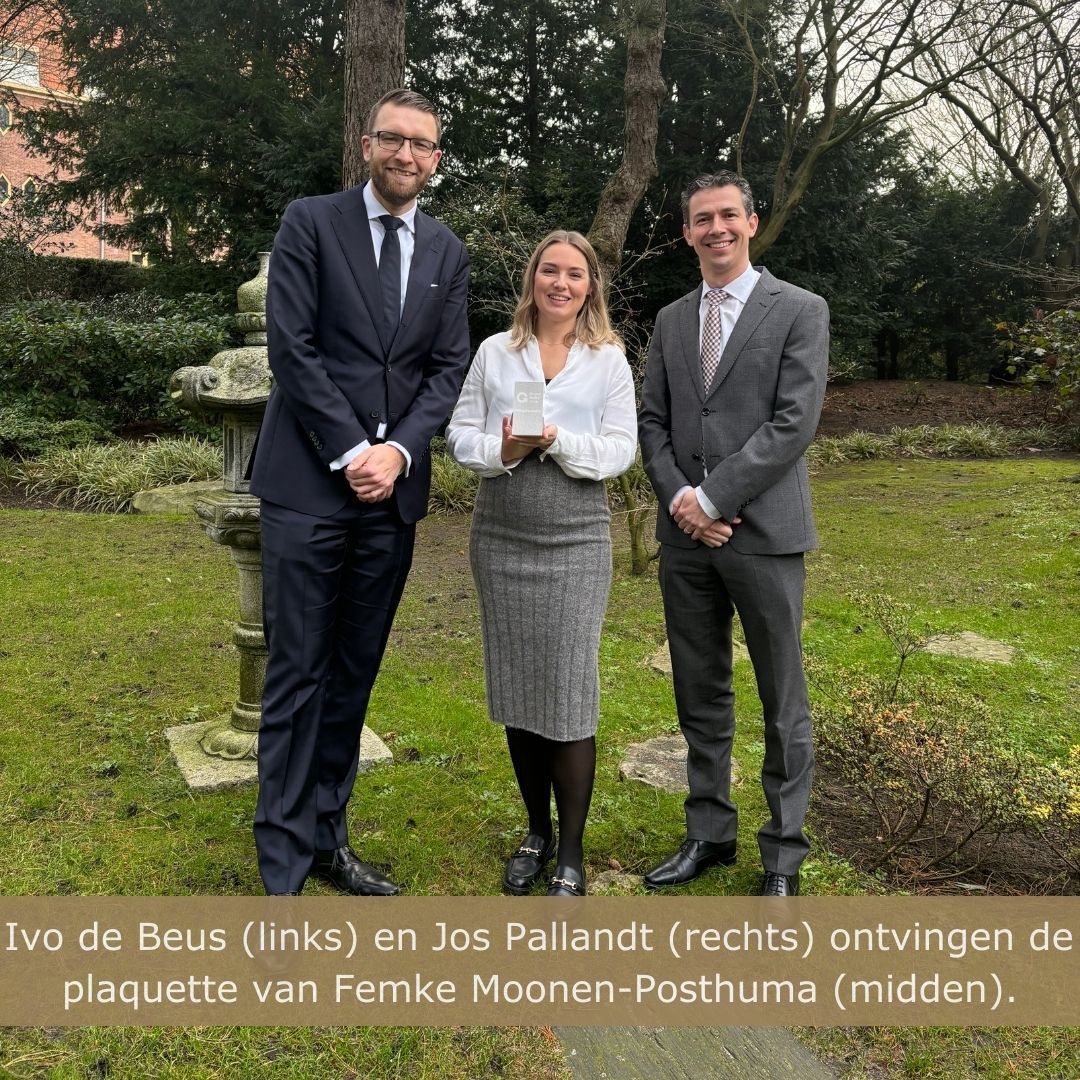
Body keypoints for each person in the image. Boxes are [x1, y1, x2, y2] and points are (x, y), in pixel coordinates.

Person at [249, 89, 470, 896]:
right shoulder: (310, 222)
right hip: (309, 485)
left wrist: (401, 452)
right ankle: (280, 864)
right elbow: (293, 347)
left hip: (393, 500)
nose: (406, 155)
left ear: (436, 160)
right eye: (392, 139)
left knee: (353, 673)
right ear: (367, 143)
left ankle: (325, 839)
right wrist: (352, 450)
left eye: (422, 145)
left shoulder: (446, 250)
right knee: (297, 672)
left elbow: (447, 368)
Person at [638, 171, 829, 897]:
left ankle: (782, 855)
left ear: (751, 222)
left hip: (765, 534)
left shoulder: (800, 310)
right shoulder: (669, 320)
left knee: (782, 698)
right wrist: (684, 500)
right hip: (686, 539)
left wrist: (715, 496)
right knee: (699, 692)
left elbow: (793, 423)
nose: (715, 228)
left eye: (727, 216)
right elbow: (652, 422)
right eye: (700, 219)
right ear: (686, 233)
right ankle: (708, 833)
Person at [446, 230, 636, 897]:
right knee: (520, 691)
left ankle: (572, 853)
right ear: (532, 280)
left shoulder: (608, 360)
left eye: (575, 274)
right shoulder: (497, 352)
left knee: (569, 691)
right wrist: (503, 449)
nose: (561, 283)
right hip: (501, 537)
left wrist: (554, 441)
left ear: (590, 287)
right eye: (549, 271)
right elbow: (459, 434)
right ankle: (536, 831)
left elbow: (620, 451)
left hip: (576, 540)